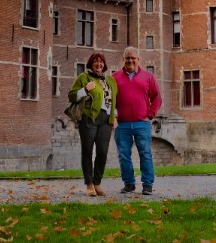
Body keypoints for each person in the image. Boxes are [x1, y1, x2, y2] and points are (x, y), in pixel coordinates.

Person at [113, 46, 161, 195]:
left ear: (138, 60)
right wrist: (113, 118)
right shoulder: (114, 78)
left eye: (133, 58)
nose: (130, 61)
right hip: (122, 124)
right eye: (127, 58)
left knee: (145, 153)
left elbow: (157, 98)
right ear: (123, 60)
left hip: (142, 123)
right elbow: (109, 99)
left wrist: (150, 115)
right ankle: (129, 184)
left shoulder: (148, 76)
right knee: (123, 155)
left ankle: (147, 185)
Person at [68, 52, 118, 197]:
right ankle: (89, 184)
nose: (99, 64)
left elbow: (114, 99)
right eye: (96, 61)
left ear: (104, 65)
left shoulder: (110, 80)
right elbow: (71, 95)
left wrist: (114, 115)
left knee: (102, 151)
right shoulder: (83, 77)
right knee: (87, 151)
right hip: (89, 118)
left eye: (101, 62)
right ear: (91, 63)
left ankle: (97, 182)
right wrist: (85, 89)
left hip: (106, 120)